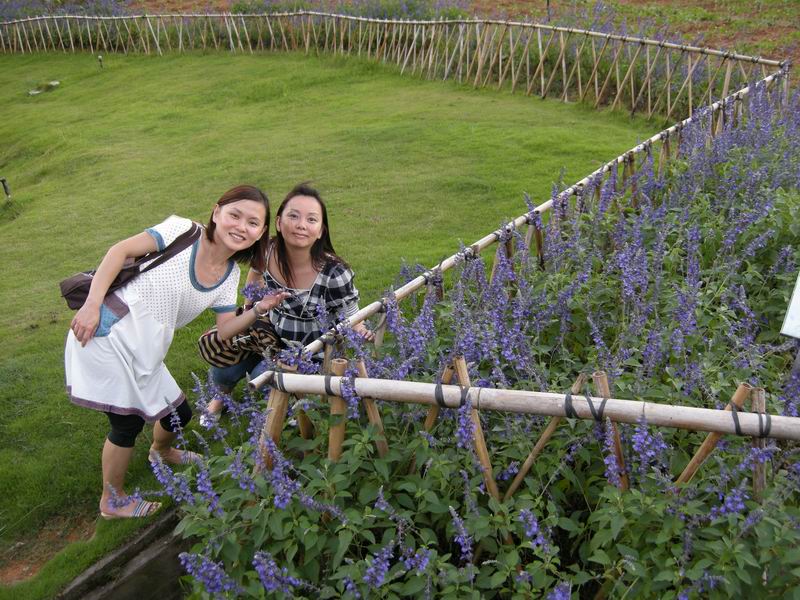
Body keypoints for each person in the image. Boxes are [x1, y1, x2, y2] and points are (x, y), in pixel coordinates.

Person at [65, 185, 289, 519]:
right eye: (235, 215)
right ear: (217, 212)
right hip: (108, 331)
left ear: (260, 233)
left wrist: (258, 309)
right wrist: (91, 304)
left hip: (147, 346)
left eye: (253, 223)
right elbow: (119, 251)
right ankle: (112, 501)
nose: (242, 227)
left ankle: (160, 451)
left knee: (178, 413)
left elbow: (224, 330)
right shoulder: (183, 231)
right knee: (126, 423)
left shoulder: (230, 275)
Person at [203, 183, 372, 422]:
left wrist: (361, 331)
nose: (301, 225)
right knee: (224, 356)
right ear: (279, 223)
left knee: (265, 379)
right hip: (270, 334)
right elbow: (255, 272)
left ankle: (295, 409)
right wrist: (249, 308)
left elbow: (352, 314)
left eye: (311, 219)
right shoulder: (268, 250)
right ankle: (221, 396)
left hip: (312, 351)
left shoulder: (334, 273)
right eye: (293, 216)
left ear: (321, 231)